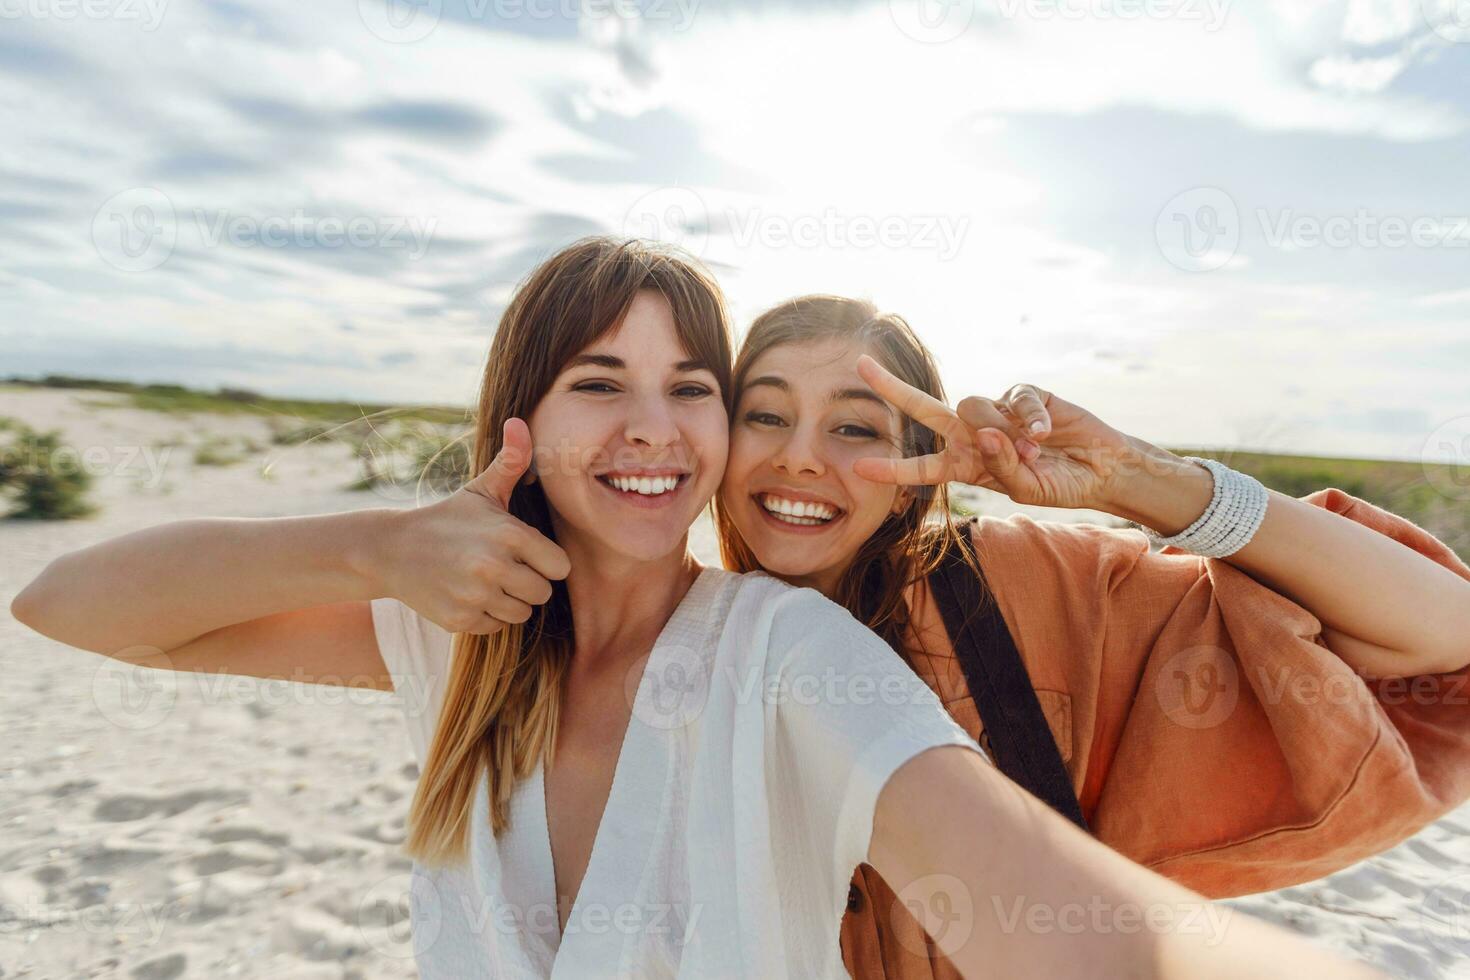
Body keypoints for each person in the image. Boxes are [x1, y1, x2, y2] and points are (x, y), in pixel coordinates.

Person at [12, 239, 1381, 979]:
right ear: (522, 418)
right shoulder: (457, 632)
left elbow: (1081, 930)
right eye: (601, 383)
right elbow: (71, 602)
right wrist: (377, 541)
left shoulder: (784, 653)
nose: (653, 429)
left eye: (692, 388)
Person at [708, 294, 1470, 978]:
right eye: (766, 415)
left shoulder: (1015, 587)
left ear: (917, 465)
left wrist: (1133, 477)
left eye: (852, 427)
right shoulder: (658, 640)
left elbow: (1443, 640)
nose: (799, 455)